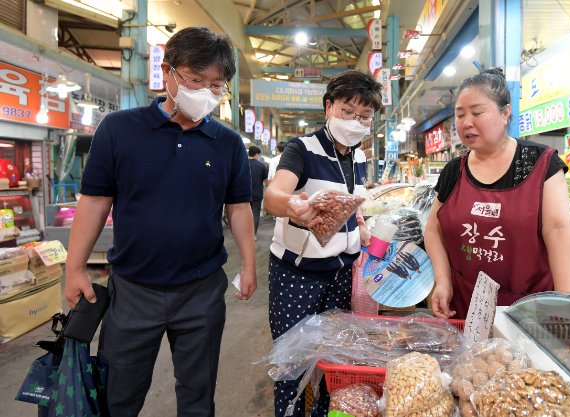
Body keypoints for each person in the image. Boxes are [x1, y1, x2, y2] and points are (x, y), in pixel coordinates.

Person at [64, 26, 257, 417]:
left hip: (201, 290)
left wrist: (250, 264)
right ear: (167, 71)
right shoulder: (119, 130)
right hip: (133, 290)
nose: (205, 91)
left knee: (198, 394)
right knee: (119, 394)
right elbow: (96, 202)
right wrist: (74, 267)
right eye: (194, 79)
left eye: (216, 85)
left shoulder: (227, 143)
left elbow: (238, 207)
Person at [263, 70, 382, 417]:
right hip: (296, 274)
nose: (355, 121)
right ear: (329, 107)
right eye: (347, 111)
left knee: (333, 360)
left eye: (364, 116)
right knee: (292, 362)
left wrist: (359, 228)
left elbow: (350, 204)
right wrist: (293, 208)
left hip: (340, 273)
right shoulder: (302, 148)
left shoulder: (359, 157)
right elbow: (274, 196)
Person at [424, 68, 570, 320]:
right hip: (465, 309)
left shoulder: (540, 163)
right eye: (460, 114)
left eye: (477, 112)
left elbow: (562, 231)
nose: (467, 123)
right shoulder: (454, 171)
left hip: (531, 312)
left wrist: (568, 307)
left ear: (505, 112)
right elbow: (433, 229)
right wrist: (443, 281)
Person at [248, 145, 270, 237]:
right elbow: (266, 181)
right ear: (257, 154)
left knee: (243, 214)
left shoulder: (242, 164)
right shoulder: (261, 166)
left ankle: (243, 235)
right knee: (255, 214)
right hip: (257, 194)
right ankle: (252, 235)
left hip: (243, 194)